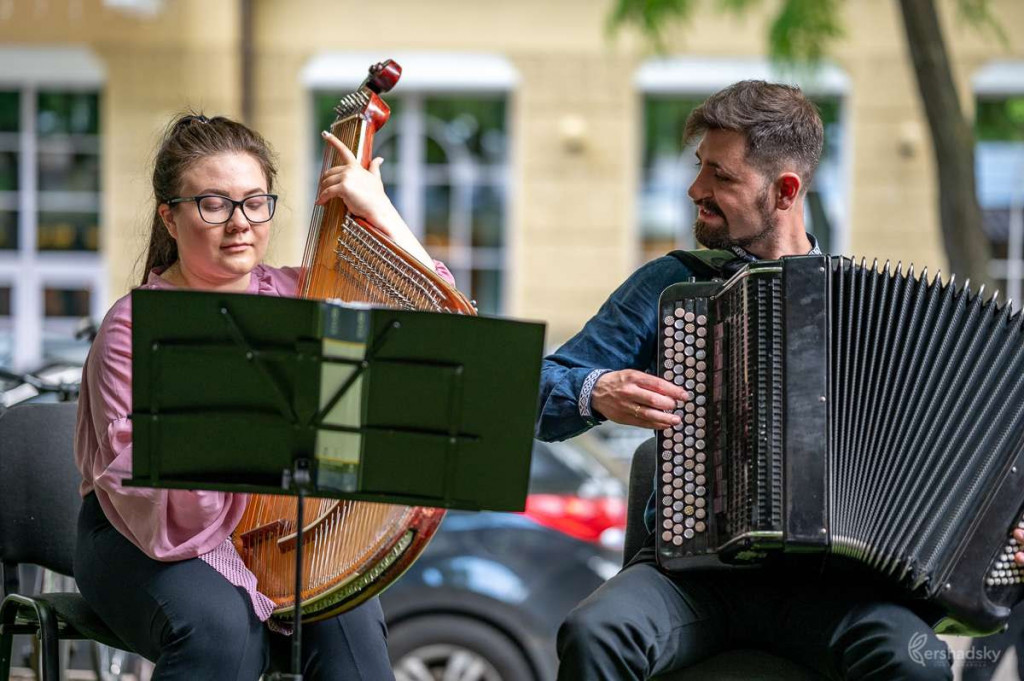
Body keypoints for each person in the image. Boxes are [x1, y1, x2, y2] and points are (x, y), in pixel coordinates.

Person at [537, 81, 955, 680]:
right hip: (695, 580)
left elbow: (970, 446)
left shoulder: (874, 310)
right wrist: (594, 389)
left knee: (915, 662)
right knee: (595, 632)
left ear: (785, 190)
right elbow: (542, 390)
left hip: (835, 591)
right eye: (699, 168)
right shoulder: (670, 284)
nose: (696, 190)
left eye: (721, 177)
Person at [74, 113, 452, 680]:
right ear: (169, 219)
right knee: (224, 631)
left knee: (353, 633)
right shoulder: (133, 329)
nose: (239, 223)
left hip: (278, 527)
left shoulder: (300, 295)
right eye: (213, 204)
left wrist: (380, 211)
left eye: (255, 202)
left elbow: (436, 322)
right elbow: (150, 491)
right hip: (143, 531)